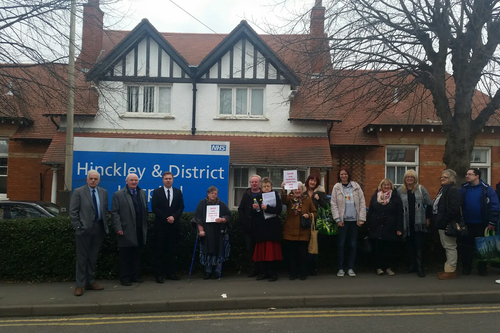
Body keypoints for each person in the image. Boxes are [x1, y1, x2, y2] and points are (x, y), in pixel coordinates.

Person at [69, 170, 109, 297]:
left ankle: (90, 282)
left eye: (95, 179)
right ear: (87, 180)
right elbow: (73, 211)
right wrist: (78, 226)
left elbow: (104, 210)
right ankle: (79, 285)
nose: (93, 180)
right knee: (82, 259)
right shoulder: (79, 192)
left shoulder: (103, 192)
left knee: (92, 258)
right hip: (83, 230)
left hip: (98, 228)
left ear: (99, 180)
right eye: (91, 178)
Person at [459, 168, 500, 276]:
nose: (467, 176)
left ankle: (482, 268)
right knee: (466, 247)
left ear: (477, 176)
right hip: (467, 223)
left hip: (483, 223)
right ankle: (466, 268)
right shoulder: (463, 189)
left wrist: (492, 222)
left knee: (483, 247)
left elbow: (495, 206)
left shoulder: (487, 189)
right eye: (466, 174)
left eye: (470, 174)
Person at [111, 173, 148, 286]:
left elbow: (145, 210)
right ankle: (124, 277)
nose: (134, 182)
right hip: (125, 230)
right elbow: (115, 213)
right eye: (131, 180)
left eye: (136, 180)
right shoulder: (118, 194)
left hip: (139, 229)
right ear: (126, 181)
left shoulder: (142, 193)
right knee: (125, 255)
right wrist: (118, 227)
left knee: (136, 254)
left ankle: (135, 275)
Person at [330, 167, 366, 277]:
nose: (343, 176)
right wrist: (337, 219)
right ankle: (340, 268)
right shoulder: (336, 187)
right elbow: (333, 204)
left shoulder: (356, 186)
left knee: (353, 244)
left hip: (354, 221)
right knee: (341, 245)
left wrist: (361, 219)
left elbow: (362, 203)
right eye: (341, 174)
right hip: (342, 221)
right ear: (339, 176)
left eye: (345, 174)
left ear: (348, 175)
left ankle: (350, 268)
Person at [151, 171, 185, 283]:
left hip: (174, 226)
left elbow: (181, 207)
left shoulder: (178, 192)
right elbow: (155, 208)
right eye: (166, 178)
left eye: (170, 178)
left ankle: (170, 273)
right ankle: (159, 275)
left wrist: (173, 217)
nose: (168, 180)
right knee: (160, 251)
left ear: (173, 179)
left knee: (172, 251)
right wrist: (166, 217)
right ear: (162, 180)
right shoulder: (156, 192)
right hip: (161, 226)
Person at [191, 186, 231, 279]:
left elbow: (228, 216)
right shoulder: (202, 203)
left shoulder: (221, 204)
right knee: (207, 251)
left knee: (219, 250)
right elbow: (197, 218)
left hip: (218, 231)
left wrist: (223, 219)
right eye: (212, 193)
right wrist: (201, 230)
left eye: (216, 193)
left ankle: (218, 270)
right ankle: (208, 270)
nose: (214, 195)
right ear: (208, 194)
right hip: (207, 231)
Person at [399, 170, 433, 278]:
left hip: (419, 222)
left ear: (415, 179)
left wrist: (428, 218)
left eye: (412, 177)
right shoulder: (400, 190)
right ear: (405, 178)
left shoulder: (421, 189)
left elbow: (429, 204)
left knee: (419, 245)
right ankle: (411, 266)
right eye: (407, 177)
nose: (409, 179)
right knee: (409, 245)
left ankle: (420, 267)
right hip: (406, 223)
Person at [281, 181, 317, 281]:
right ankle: (293, 273)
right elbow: (283, 200)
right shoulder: (290, 198)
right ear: (292, 190)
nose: (297, 191)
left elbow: (314, 212)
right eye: (295, 189)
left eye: (299, 189)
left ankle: (302, 273)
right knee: (292, 255)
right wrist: (283, 190)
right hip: (290, 232)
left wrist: (308, 215)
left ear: (302, 190)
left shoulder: (307, 199)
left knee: (302, 255)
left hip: (303, 232)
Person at [366, 178, 403, 276]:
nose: (386, 187)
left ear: (391, 186)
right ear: (381, 186)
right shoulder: (375, 196)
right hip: (376, 227)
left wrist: (399, 228)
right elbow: (370, 211)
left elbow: (399, 214)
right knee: (377, 248)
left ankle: (388, 267)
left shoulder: (395, 198)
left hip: (390, 227)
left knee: (388, 249)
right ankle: (378, 267)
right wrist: (369, 225)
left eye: (388, 185)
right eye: (384, 185)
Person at [252, 177, 283, 282]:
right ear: (261, 187)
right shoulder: (258, 196)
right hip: (262, 227)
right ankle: (263, 273)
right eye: (264, 186)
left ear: (271, 187)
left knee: (271, 252)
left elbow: (278, 210)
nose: (266, 188)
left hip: (272, 227)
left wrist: (267, 209)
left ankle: (273, 274)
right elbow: (256, 214)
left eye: (268, 186)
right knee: (262, 252)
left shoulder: (275, 196)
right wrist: (256, 209)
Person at [433, 169, 461, 280]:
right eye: (441, 177)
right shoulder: (443, 190)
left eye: (445, 177)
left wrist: (444, 220)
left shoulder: (452, 190)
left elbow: (454, 208)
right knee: (446, 245)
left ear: (451, 179)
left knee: (450, 246)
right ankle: (448, 268)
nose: (442, 179)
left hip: (448, 223)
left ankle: (451, 270)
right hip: (441, 223)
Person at [303, 174, 329, 276]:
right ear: (308, 181)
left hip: (316, 223)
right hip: (304, 222)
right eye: (311, 180)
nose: (312, 182)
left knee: (314, 246)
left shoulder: (320, 193)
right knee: (305, 246)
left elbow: (327, 206)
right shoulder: (303, 193)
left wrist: (319, 199)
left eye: (314, 181)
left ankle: (313, 268)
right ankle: (305, 267)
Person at [238, 174, 262, 277]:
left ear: (259, 183)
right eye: (252, 182)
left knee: (260, 249)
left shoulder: (263, 194)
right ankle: (252, 269)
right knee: (249, 249)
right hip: (248, 228)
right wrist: (244, 221)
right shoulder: (246, 194)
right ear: (250, 183)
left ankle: (261, 269)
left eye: (256, 182)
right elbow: (240, 209)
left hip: (260, 227)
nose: (254, 184)